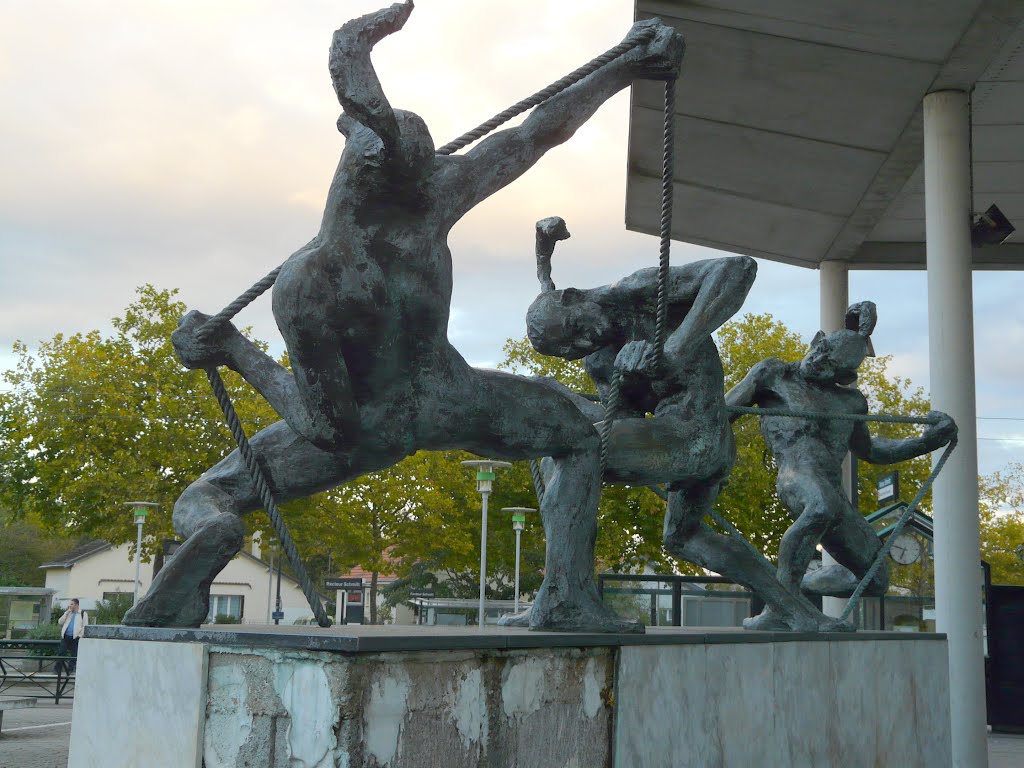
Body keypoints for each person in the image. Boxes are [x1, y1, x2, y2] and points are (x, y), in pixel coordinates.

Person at [123, 2, 685, 633]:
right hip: (450, 395)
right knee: (576, 438)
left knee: (206, 500)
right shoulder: (433, 201)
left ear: (347, 182)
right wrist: (629, 63)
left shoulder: (310, 280)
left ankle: (201, 556)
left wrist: (234, 348)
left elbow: (325, 427)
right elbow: (539, 132)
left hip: (371, 423)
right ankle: (567, 598)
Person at [513, 217, 840, 632]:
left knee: (572, 450)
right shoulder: (597, 353)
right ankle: (795, 612)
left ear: (577, 298)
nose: (584, 344)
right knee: (684, 538)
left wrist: (674, 349)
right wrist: (563, 398)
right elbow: (623, 421)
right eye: (571, 350)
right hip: (668, 441)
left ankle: (566, 599)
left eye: (578, 330)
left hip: (697, 434)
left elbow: (738, 269)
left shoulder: (637, 292)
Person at [725, 302, 957, 627]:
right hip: (797, 475)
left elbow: (872, 450)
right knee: (820, 505)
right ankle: (778, 608)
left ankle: (796, 581)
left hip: (834, 494)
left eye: (828, 365)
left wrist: (927, 441)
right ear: (816, 340)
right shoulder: (773, 374)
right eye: (819, 352)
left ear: (845, 375)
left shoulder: (851, 401)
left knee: (875, 580)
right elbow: (723, 414)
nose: (816, 363)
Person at [57, 599, 87, 670]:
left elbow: (85, 626)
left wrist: (79, 636)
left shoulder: (83, 614)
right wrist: (66, 613)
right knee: (61, 652)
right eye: (70, 604)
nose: (70, 606)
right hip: (66, 636)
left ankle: (70, 669)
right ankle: (57, 669)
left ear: (76, 605)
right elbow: (60, 622)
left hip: (75, 637)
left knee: (74, 654)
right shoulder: (68, 613)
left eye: (72, 604)